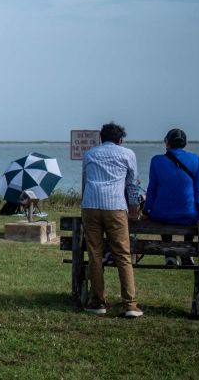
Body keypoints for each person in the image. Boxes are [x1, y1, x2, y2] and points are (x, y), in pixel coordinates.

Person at [81, 121, 143, 318]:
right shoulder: (127, 154)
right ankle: (130, 305)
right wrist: (133, 210)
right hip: (115, 207)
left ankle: (97, 301)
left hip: (90, 206)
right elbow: (132, 185)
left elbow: (85, 181)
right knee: (123, 256)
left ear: (100, 137)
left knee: (95, 255)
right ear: (120, 139)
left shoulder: (90, 154)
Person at [143, 128, 199, 266]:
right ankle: (187, 251)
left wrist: (146, 210)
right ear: (184, 143)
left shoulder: (156, 160)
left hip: (161, 215)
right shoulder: (195, 159)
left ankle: (169, 254)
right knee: (192, 213)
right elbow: (198, 190)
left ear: (167, 143)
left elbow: (152, 189)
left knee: (163, 213)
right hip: (188, 215)